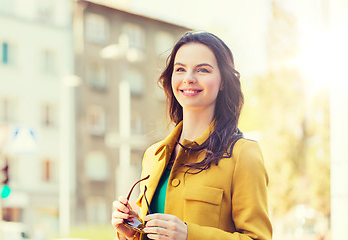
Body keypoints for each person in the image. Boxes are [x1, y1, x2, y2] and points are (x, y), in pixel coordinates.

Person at [111, 31, 272, 240]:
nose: (188, 78)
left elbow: (258, 237)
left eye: (203, 70)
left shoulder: (243, 154)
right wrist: (132, 231)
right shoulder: (154, 155)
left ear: (223, 81)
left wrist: (190, 234)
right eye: (180, 69)